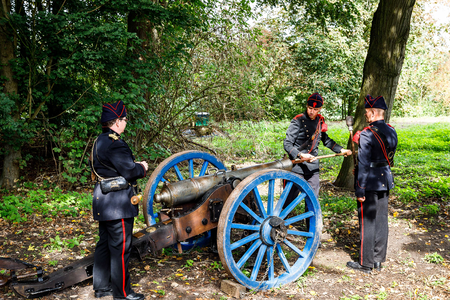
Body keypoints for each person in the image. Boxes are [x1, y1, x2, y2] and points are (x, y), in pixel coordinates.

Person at [90, 100, 148, 300]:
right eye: (124, 119)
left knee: (105, 244)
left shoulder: (99, 140)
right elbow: (130, 171)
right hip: (117, 204)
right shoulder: (115, 144)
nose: (126, 123)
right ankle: (123, 294)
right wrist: (142, 167)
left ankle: (101, 288)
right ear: (116, 122)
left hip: (103, 201)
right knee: (121, 248)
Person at [346, 95, 398, 274]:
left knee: (367, 222)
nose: (366, 116)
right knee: (382, 220)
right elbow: (389, 158)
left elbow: (364, 163)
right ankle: (378, 260)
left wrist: (360, 188)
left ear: (374, 112)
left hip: (370, 183)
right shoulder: (392, 131)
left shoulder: (368, 134)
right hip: (385, 180)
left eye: (368, 113)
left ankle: (365, 263)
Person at [283, 93, 352, 223]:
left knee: (312, 201)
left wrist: (341, 149)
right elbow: (287, 144)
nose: (312, 112)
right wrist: (300, 154)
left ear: (320, 109)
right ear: (306, 106)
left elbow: (326, 140)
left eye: (315, 109)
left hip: (312, 168)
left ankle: (312, 231)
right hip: (297, 166)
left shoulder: (320, 122)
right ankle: (276, 227)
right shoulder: (298, 120)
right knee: (288, 200)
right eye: (310, 108)